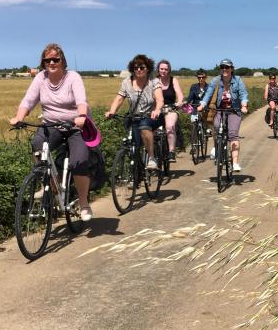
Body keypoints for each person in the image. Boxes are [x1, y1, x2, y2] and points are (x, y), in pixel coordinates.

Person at [9, 43, 93, 221]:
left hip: (74, 126)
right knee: (37, 145)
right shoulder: (41, 78)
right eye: (47, 60)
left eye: (55, 59)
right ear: (43, 62)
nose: (51, 62)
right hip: (51, 125)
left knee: (79, 162)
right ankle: (51, 186)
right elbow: (28, 101)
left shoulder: (73, 77)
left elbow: (81, 100)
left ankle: (84, 203)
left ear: (62, 60)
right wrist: (19, 117)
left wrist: (82, 116)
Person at [105, 54, 163, 170]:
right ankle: (136, 174)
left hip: (151, 116)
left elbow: (159, 99)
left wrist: (157, 110)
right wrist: (112, 111)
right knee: (135, 146)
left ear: (148, 68)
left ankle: (152, 158)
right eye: (136, 68)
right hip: (134, 116)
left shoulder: (154, 81)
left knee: (145, 127)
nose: (139, 70)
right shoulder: (127, 82)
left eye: (142, 67)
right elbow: (119, 98)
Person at [197, 59, 248, 172]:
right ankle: (216, 146)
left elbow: (243, 93)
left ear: (231, 68)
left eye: (227, 67)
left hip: (234, 110)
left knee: (233, 134)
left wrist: (244, 105)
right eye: (222, 67)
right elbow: (208, 93)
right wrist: (202, 104)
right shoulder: (216, 80)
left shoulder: (238, 80)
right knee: (216, 127)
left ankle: (234, 163)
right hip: (220, 110)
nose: (224, 69)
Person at [156, 59, 184, 162]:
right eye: (161, 69)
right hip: (156, 109)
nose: (163, 71)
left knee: (170, 127)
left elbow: (180, 94)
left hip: (170, 108)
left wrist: (179, 102)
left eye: (166, 69)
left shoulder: (173, 80)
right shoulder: (153, 81)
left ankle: (171, 151)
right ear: (158, 70)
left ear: (169, 70)